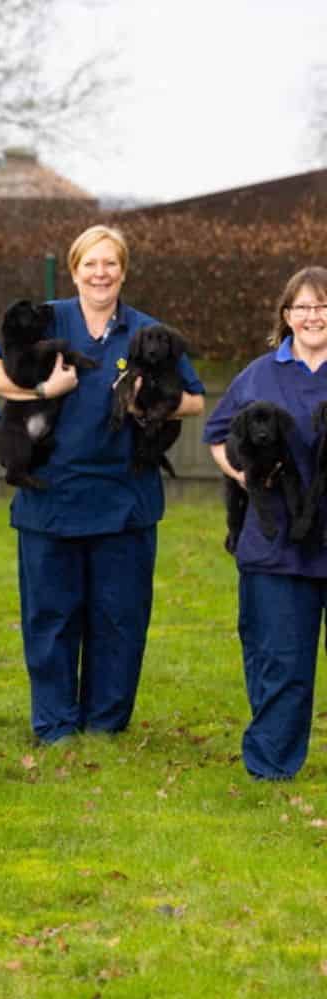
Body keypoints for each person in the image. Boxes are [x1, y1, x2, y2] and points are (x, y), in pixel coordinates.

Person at [0, 225, 204, 744]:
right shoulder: (47, 319)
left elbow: (194, 399)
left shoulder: (148, 331)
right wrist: (41, 387)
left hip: (125, 499)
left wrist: (154, 400)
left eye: (110, 264)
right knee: (50, 617)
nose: (100, 273)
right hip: (50, 496)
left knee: (118, 618)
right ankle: (56, 726)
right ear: (74, 268)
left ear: (123, 271)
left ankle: (105, 724)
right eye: (90, 264)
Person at [202, 266, 327, 780]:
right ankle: (271, 766)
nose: (313, 316)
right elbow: (216, 435)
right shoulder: (257, 375)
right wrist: (249, 476)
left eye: (322, 306)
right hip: (275, 543)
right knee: (280, 660)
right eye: (302, 307)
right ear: (286, 315)